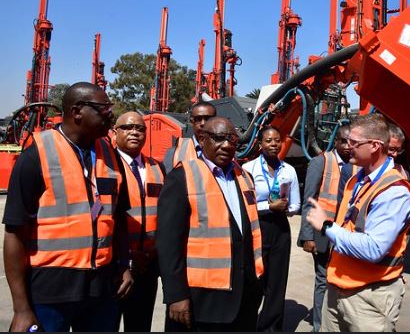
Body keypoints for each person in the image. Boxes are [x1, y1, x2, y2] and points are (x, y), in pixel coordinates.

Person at [2, 82, 133, 332]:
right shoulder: (36, 155)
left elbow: (118, 219)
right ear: (77, 112)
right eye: (103, 108)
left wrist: (123, 266)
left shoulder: (109, 153)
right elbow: (14, 234)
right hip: (51, 292)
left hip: (101, 289)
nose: (111, 115)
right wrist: (21, 308)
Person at [306, 113, 410, 332]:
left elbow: (373, 249)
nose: (348, 147)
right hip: (339, 286)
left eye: (354, 143)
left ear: (375, 146)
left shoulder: (394, 192)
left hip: (368, 297)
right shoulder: (357, 179)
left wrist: (327, 227)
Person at [157, 116, 264, 332]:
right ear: (202, 139)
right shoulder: (182, 177)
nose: (226, 145)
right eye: (218, 138)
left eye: (232, 140)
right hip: (202, 300)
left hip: (244, 296)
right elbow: (168, 245)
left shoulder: (244, 177)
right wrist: (176, 295)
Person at [242, 125, 301, 331]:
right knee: (254, 281)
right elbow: (244, 205)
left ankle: (270, 328)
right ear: (260, 144)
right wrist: (268, 206)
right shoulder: (248, 169)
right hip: (257, 228)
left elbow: (295, 206)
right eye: (269, 140)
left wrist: (286, 208)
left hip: (280, 229)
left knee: (276, 283)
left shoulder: (289, 170)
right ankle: (247, 323)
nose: (274, 144)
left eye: (277, 140)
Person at [113, 111, 165, 332]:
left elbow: (165, 215)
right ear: (115, 132)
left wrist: (154, 252)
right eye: (127, 127)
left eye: (140, 128)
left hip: (148, 266)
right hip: (115, 267)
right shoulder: (106, 167)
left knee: (140, 325)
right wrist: (126, 256)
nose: (134, 132)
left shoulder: (158, 168)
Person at [297, 124, 351, 332]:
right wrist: (307, 236)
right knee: (323, 280)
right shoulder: (321, 162)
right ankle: (319, 326)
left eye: (351, 142)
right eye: (344, 141)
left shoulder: (356, 165)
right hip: (322, 233)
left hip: (345, 233)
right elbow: (309, 200)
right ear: (335, 142)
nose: (348, 146)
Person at [163, 101, 216, 173]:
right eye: (198, 119)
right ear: (192, 121)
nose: (203, 123)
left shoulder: (226, 152)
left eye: (208, 119)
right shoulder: (173, 153)